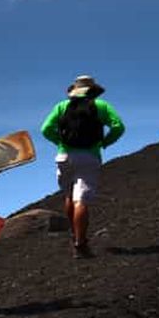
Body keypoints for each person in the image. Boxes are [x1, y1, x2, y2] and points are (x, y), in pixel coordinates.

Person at [40, 74, 125, 258]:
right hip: (89, 156)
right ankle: (80, 244)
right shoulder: (101, 106)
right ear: (92, 90)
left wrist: (60, 142)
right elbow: (118, 127)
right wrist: (104, 143)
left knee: (69, 195)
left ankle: (74, 234)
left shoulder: (61, 106)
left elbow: (45, 129)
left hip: (64, 156)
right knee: (81, 200)